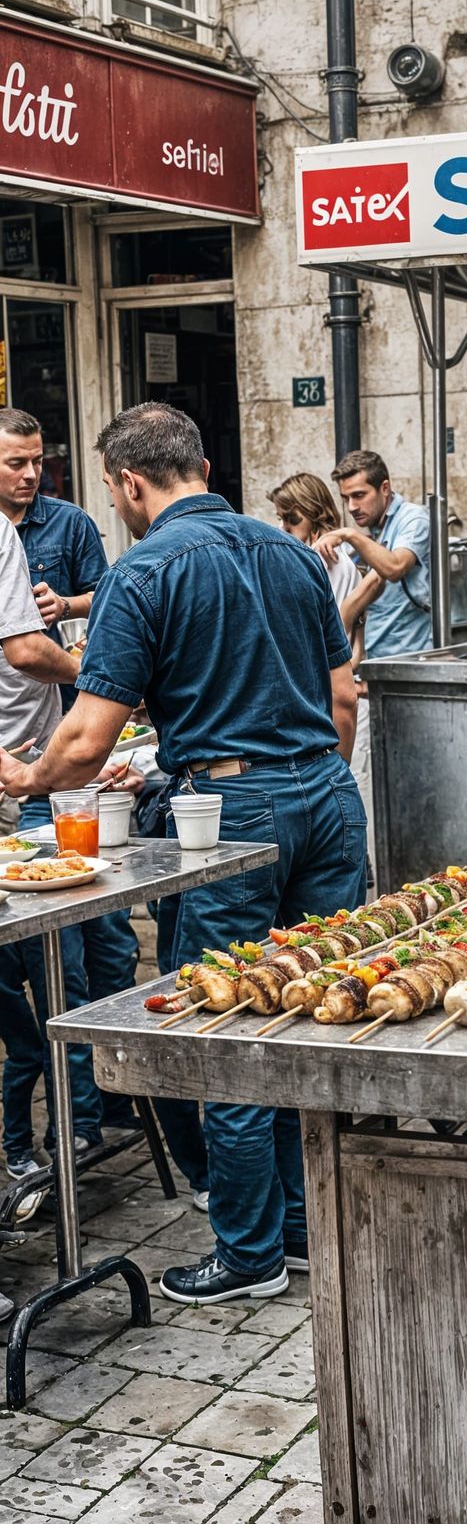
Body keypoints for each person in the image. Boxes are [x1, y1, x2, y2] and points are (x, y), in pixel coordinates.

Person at [0, 402, 365, 1302]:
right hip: (327, 790)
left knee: (231, 1032)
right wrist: (308, 776)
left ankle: (248, 1258)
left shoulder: (142, 569)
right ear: (202, 462)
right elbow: (344, 695)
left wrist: (21, 781)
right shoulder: (291, 551)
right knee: (315, 1011)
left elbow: (84, 741)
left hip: (236, 807)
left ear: (129, 483)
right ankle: (302, 1224)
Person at [0, 411, 126, 1206]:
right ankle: (41, 1133)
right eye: (13, 461)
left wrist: (77, 626)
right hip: (17, 780)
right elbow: (24, 650)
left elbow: (111, 601)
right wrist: (92, 669)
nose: (26, 474)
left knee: (87, 949)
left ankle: (80, 1117)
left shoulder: (66, 524)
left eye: (34, 461)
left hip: (50, 767)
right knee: (49, 965)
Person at [319, 450, 431, 862]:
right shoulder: (372, 531)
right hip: (374, 675)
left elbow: (396, 567)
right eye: (346, 498)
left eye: (360, 495)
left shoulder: (412, 520)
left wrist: (349, 536)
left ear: (385, 488)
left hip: (413, 669)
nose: (353, 507)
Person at [271, 472, 362, 628]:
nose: (282, 528)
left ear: (314, 514)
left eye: (291, 518)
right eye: (280, 519)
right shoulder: (316, 555)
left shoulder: (328, 558)